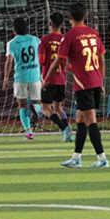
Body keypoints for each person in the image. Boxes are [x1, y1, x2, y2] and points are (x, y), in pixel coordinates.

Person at [44, 3, 109, 168]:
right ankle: (76, 158)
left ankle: (102, 158)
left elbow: (58, 61)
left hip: (83, 84)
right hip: (95, 81)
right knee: (80, 119)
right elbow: (102, 60)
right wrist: (101, 82)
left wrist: (47, 79)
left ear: (70, 18)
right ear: (85, 17)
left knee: (91, 121)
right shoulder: (94, 33)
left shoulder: (70, 36)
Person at [2, 18, 42, 140]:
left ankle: (29, 132)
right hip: (35, 76)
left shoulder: (12, 43)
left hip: (20, 78)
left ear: (14, 29)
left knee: (22, 105)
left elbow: (9, 61)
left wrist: (6, 78)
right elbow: (41, 56)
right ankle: (36, 110)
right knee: (37, 102)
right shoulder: (35, 40)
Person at [40, 12, 72, 142]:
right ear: (63, 24)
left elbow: (41, 60)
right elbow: (73, 59)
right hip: (61, 79)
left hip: (48, 79)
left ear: (50, 24)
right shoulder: (66, 39)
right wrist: (68, 68)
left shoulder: (44, 40)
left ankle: (64, 128)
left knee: (45, 108)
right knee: (58, 107)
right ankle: (68, 130)